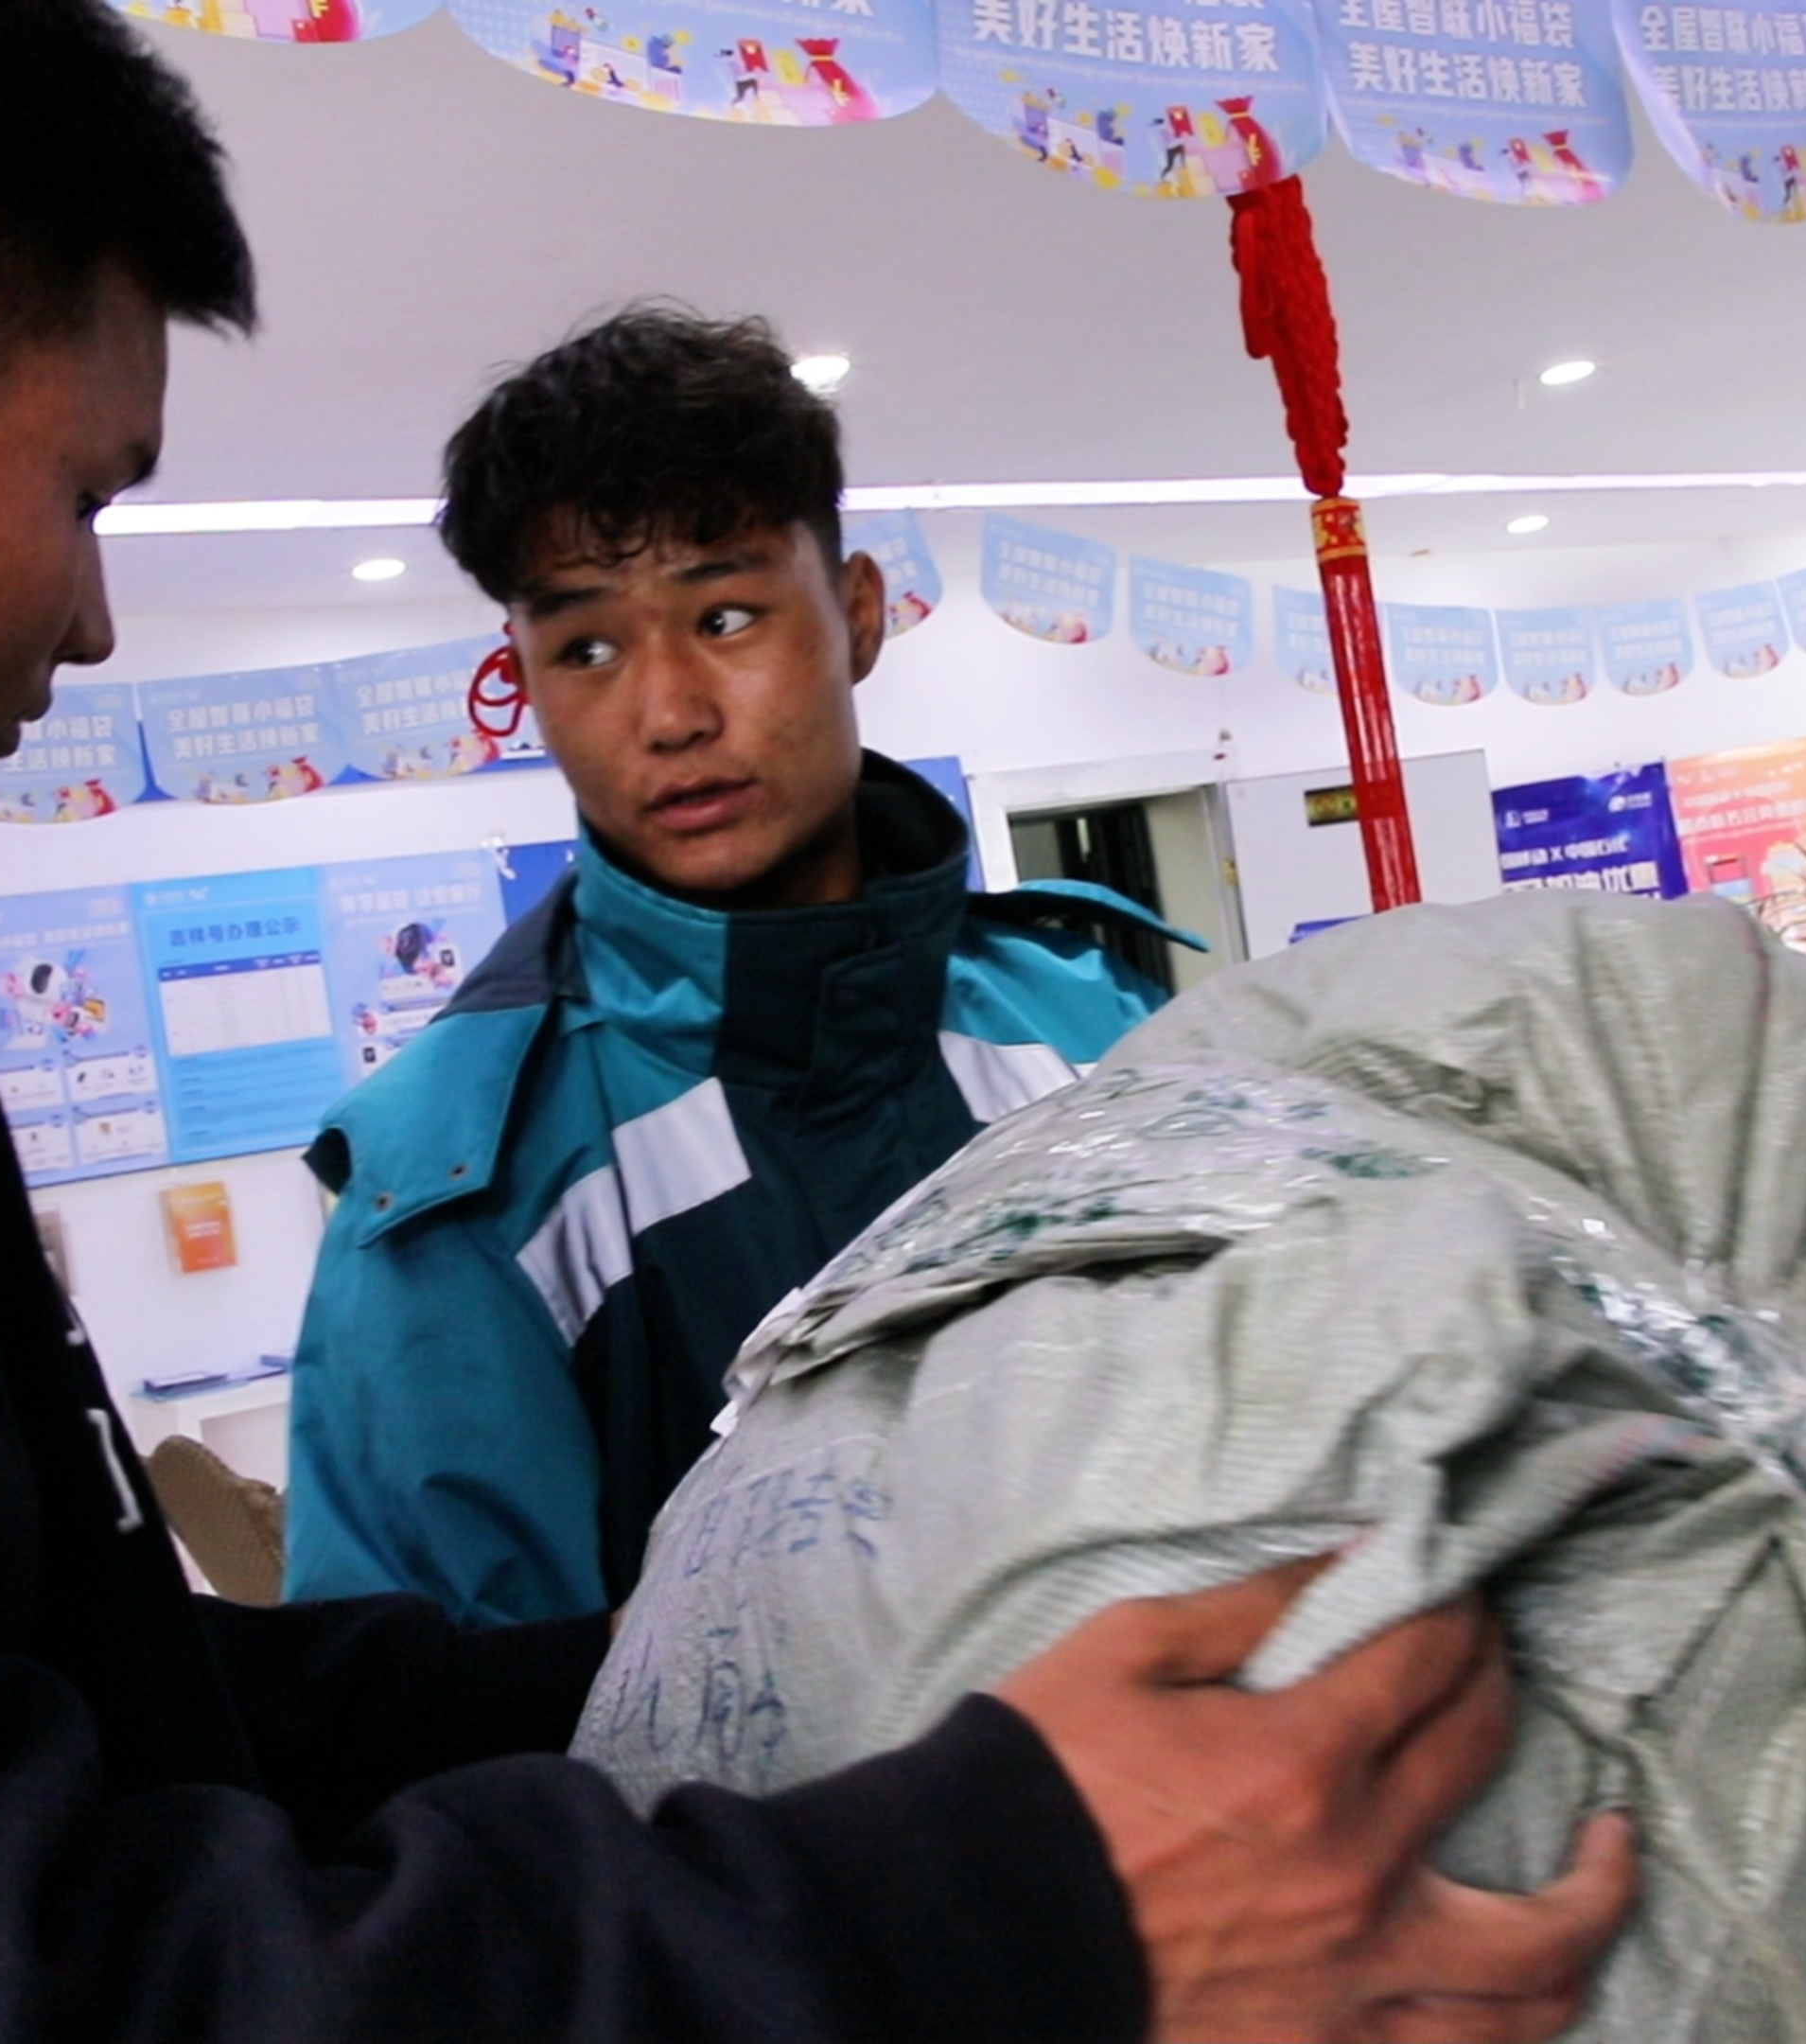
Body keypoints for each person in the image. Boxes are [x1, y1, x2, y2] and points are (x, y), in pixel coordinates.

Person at [0, 2, 1638, 2038]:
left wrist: (785, 1651)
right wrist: (986, 1909)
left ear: (855, 615)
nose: (90, 619)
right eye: (86, 495)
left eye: (734, 612)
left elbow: (39, 1719)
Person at [282, 309, 1190, 1624]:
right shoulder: (461, 1194)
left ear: (858, 615)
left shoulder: (1091, 1024)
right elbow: (450, 1726)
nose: (669, 714)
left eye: (724, 615)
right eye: (587, 648)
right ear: (524, 683)